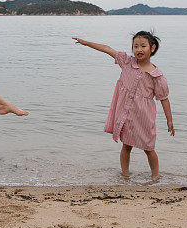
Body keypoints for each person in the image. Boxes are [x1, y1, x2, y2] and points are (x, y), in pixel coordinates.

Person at [73, 31, 174, 180]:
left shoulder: (157, 76)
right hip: (126, 114)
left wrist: (169, 120)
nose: (139, 49)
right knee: (126, 145)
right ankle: (125, 175)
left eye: (143, 46)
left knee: (149, 148)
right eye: (135, 46)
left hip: (144, 117)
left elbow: (164, 99)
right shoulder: (127, 63)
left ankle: (155, 177)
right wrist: (87, 43)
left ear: (152, 48)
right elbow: (108, 49)